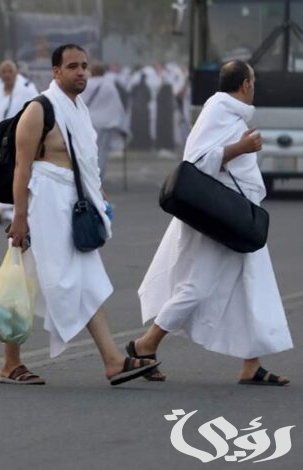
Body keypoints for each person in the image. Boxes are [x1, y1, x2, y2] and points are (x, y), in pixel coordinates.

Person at [129, 60, 293, 386]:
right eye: (254, 82)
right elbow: (196, 163)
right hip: (219, 217)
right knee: (197, 286)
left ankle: (251, 364)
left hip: (238, 216)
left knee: (250, 287)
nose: (254, 87)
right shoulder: (218, 110)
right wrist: (239, 148)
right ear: (245, 84)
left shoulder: (229, 113)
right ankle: (146, 344)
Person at [5, 44, 159, 385]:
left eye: (84, 66)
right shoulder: (38, 110)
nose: (80, 72)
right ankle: (12, 363)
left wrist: (96, 192)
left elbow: (84, 160)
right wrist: (20, 216)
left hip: (72, 205)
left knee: (80, 281)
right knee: (36, 282)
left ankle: (112, 361)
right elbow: (21, 168)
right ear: (55, 71)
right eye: (72, 66)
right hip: (43, 206)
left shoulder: (79, 109)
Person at [0, 60, 38, 225]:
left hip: (20, 135)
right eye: (4, 71)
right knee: (1, 168)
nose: (7, 75)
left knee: (16, 169)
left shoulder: (27, 87)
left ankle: (10, 208)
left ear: (16, 72)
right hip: (0, 136)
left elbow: (35, 109)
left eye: (10, 71)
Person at [81, 62, 126, 178]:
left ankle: (88, 176)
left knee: (87, 151)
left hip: (88, 123)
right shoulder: (109, 86)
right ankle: (99, 177)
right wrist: (121, 124)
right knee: (102, 152)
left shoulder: (86, 85)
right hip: (106, 124)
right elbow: (117, 106)